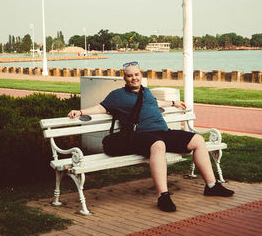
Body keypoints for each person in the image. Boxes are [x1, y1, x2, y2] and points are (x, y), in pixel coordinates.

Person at [68, 61, 234, 212]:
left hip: (163, 132)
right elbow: (101, 108)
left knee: (197, 140)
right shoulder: (117, 96)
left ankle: (211, 186)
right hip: (140, 136)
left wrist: (173, 103)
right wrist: (81, 111)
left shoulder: (146, 92)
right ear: (124, 78)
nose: (134, 78)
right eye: (130, 75)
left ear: (141, 75)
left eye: (136, 74)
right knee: (158, 145)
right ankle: (163, 196)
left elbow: (154, 103)